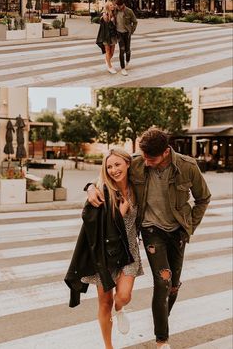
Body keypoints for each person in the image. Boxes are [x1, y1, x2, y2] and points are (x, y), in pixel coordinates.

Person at [86, 128, 211, 349]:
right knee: (163, 281)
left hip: (177, 232)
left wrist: (189, 226)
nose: (145, 161)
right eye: (143, 156)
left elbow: (203, 198)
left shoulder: (187, 166)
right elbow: (109, 174)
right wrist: (90, 188)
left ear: (165, 152)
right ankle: (162, 340)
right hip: (151, 229)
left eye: (150, 158)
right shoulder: (137, 161)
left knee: (173, 286)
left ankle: (161, 319)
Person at [65, 149, 143, 349]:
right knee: (105, 302)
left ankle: (121, 309)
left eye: (118, 165)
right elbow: (95, 224)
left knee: (124, 296)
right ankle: (108, 347)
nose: (114, 170)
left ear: (127, 163)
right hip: (105, 255)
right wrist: (93, 188)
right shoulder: (103, 191)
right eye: (109, 166)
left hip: (129, 252)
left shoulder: (138, 187)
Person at [115, 0, 138, 76]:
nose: (118, 7)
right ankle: (123, 68)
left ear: (123, 5)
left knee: (127, 50)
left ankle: (127, 61)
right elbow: (106, 11)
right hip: (119, 33)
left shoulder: (129, 11)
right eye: (117, 6)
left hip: (127, 33)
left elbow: (135, 22)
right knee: (122, 50)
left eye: (119, 6)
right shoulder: (115, 10)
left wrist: (131, 31)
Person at [96, 1, 118, 74]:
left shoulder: (114, 14)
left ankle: (107, 61)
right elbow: (106, 28)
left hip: (113, 36)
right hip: (106, 36)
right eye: (111, 5)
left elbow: (115, 27)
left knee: (112, 52)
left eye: (113, 5)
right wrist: (111, 22)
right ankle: (109, 67)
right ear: (108, 7)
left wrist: (113, 22)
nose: (113, 6)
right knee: (108, 51)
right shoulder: (104, 16)